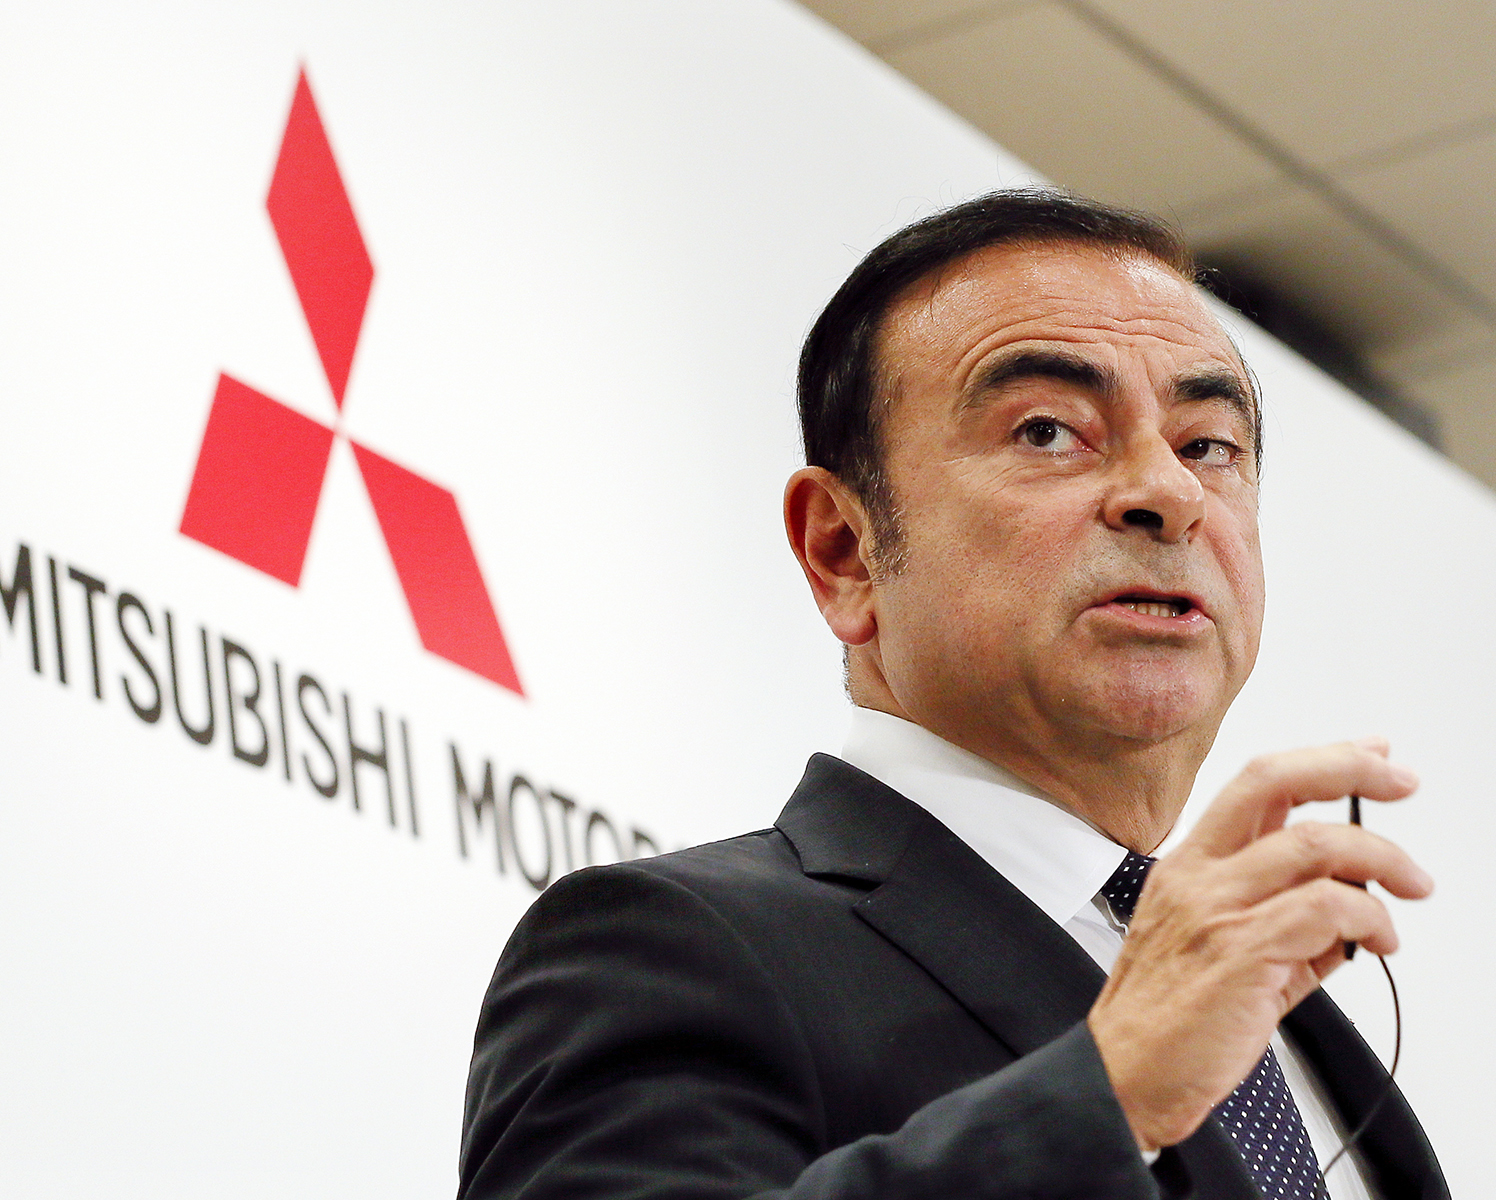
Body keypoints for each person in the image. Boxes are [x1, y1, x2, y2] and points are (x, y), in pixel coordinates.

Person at [457, 191, 1446, 1199]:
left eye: (1207, 446)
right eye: (1048, 431)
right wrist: (1110, 1092)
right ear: (843, 551)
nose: (1169, 492)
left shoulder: (1308, 1043)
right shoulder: (669, 948)